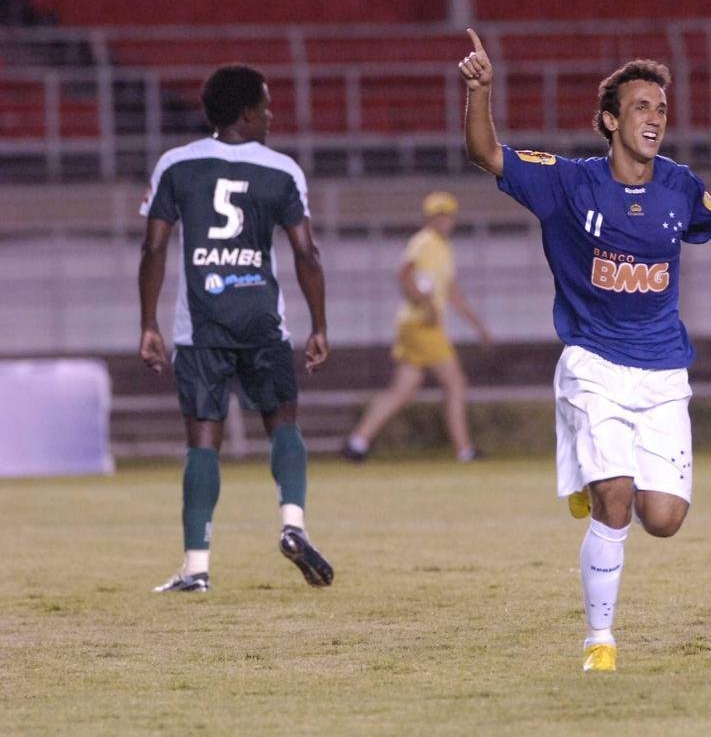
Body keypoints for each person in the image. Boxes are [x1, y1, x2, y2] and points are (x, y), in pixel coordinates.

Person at [459, 29, 711, 672]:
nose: (655, 118)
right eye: (642, 107)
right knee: (615, 499)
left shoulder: (677, 186)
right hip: (593, 363)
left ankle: (593, 482)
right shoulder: (568, 183)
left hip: (663, 371)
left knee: (665, 519)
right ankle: (600, 640)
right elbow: (487, 153)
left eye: (662, 109)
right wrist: (480, 90)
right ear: (611, 120)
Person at [138, 63, 334, 593]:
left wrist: (147, 323)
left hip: (201, 324)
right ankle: (293, 524)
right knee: (284, 425)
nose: (271, 114)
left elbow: (154, 247)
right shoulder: (281, 170)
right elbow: (305, 253)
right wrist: (318, 325)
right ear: (247, 112)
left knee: (203, 442)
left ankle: (196, 568)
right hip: (262, 321)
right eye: (266, 105)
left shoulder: (177, 165)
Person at [342, 190, 493, 462]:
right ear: (430, 218)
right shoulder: (424, 242)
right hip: (421, 324)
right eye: (439, 216)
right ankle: (464, 450)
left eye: (447, 215)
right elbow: (403, 273)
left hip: (415, 324)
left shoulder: (443, 248)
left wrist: (478, 326)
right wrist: (425, 304)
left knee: (403, 391)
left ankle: (357, 443)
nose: (444, 221)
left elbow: (452, 293)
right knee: (456, 384)